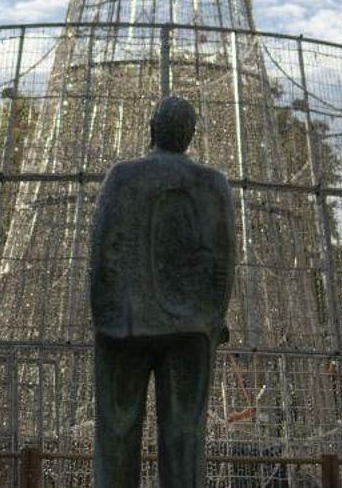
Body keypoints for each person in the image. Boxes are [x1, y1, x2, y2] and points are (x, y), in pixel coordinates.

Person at [89, 96, 235, 488]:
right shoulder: (213, 183)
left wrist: (104, 318)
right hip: (191, 329)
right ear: (190, 136)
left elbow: (103, 251)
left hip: (126, 326)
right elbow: (224, 259)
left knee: (116, 431)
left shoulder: (122, 176)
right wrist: (213, 318)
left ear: (151, 128)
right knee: (185, 434)